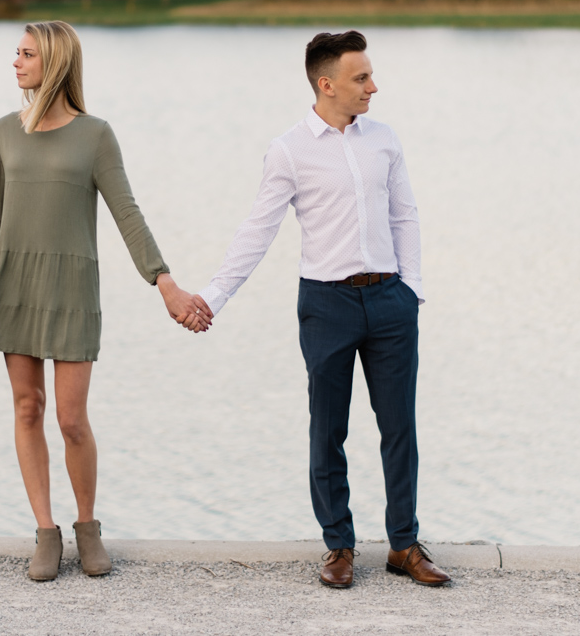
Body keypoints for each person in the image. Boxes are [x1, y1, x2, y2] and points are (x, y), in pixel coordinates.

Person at [192, 30, 451, 589]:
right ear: (325, 83)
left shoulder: (384, 139)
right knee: (328, 428)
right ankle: (339, 545)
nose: (373, 88)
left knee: (398, 426)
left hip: (389, 301)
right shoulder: (289, 150)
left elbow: (405, 216)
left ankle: (404, 545)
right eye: (362, 79)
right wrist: (212, 298)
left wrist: (412, 292)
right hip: (327, 303)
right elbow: (257, 232)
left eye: (371, 76)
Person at [0, 20, 210, 582]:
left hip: (72, 289)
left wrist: (164, 281)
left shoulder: (96, 135)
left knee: (73, 419)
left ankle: (87, 528)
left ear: (53, 63)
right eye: (16, 52)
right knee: (28, 409)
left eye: (26, 54)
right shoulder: (5, 131)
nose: (15, 63)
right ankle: (46, 532)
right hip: (13, 284)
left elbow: (128, 213)